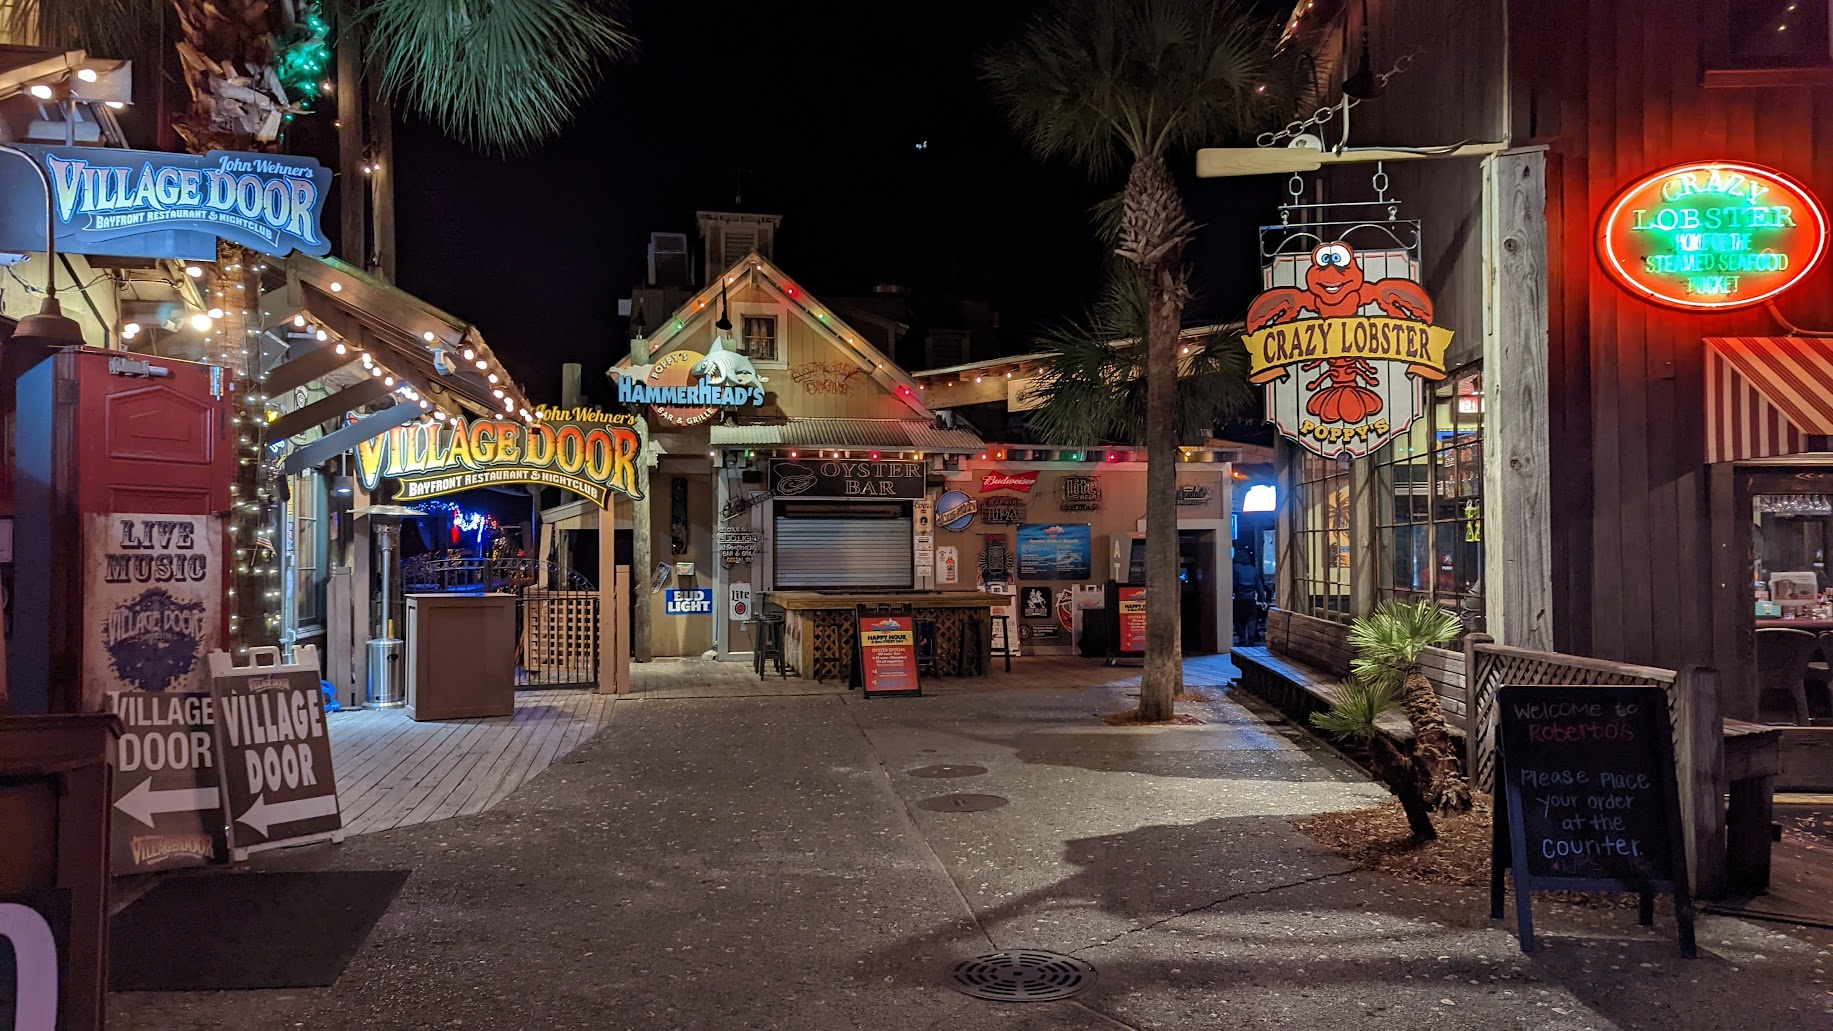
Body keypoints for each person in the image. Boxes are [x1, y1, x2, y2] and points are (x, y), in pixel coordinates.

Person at [1233, 551, 1266, 646]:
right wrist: (1263, 600)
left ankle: (1242, 639)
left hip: (1239, 598)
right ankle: (1251, 640)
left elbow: (1232, 584)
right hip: (1251, 598)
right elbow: (1260, 586)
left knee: (1237, 619)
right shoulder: (1254, 570)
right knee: (1251, 619)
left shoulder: (1235, 568)